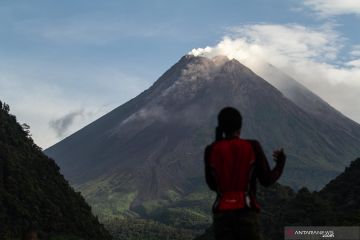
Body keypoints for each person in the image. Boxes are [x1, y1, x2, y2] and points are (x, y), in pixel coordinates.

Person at [204, 107, 286, 240]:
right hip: (246, 213)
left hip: (222, 216)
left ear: (221, 127)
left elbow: (212, 184)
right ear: (240, 126)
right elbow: (266, 180)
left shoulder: (211, 150)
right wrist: (280, 163)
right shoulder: (252, 146)